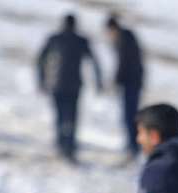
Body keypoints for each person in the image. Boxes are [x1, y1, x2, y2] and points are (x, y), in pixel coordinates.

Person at [35, 14, 104, 162]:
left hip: (56, 85)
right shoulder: (81, 41)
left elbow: (40, 59)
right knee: (72, 117)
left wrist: (41, 80)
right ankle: (69, 148)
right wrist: (98, 82)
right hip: (74, 86)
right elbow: (94, 62)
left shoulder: (55, 38)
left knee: (60, 116)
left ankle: (61, 145)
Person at [104, 16, 144, 159]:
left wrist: (116, 80)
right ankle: (133, 144)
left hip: (131, 82)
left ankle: (134, 146)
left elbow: (123, 62)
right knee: (130, 115)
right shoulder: (127, 36)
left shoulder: (123, 38)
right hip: (133, 81)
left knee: (130, 116)